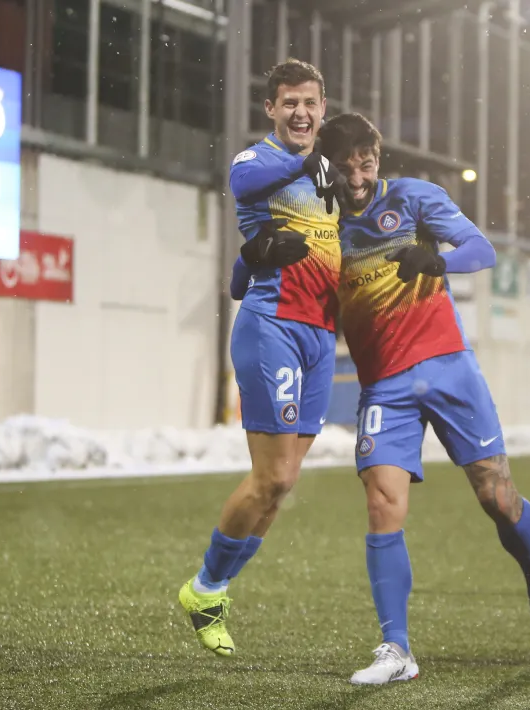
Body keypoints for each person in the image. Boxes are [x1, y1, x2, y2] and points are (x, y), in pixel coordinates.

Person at [314, 113, 530, 684]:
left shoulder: (413, 198)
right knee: (382, 502)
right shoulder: (323, 226)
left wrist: (437, 260)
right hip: (385, 384)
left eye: (366, 163)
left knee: (498, 498)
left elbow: (482, 251)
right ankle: (396, 649)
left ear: (377, 160)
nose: (358, 177)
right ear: (330, 166)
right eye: (347, 166)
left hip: (450, 370)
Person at [177, 58, 352, 657]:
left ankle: (214, 589)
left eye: (311, 103)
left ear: (322, 108)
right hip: (272, 326)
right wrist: (253, 266)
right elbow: (246, 188)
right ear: (272, 110)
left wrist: (245, 264)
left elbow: (287, 251)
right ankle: (203, 588)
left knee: (283, 486)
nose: (301, 112)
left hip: (319, 338)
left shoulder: (326, 171)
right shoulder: (257, 160)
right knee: (272, 475)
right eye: (290, 103)